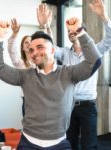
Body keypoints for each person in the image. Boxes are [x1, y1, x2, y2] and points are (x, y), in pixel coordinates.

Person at [0, 17, 101, 150]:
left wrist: (79, 31)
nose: (34, 53)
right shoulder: (25, 75)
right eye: (31, 50)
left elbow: (94, 62)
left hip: (60, 144)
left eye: (39, 47)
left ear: (53, 50)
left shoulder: (69, 73)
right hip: (28, 143)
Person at [53, 0, 111, 149]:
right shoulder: (65, 53)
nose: (71, 33)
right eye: (69, 32)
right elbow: (50, 49)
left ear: (83, 33)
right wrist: (46, 26)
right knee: (69, 144)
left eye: (75, 30)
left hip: (88, 106)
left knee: (89, 145)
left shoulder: (94, 51)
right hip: (69, 105)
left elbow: (109, 40)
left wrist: (104, 17)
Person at [8, 3, 52, 117]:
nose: (29, 44)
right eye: (26, 43)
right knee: (29, 127)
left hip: (44, 98)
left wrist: (45, 26)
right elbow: (11, 50)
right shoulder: (20, 63)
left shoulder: (41, 61)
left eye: (30, 42)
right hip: (27, 100)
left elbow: (48, 43)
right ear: (23, 47)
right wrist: (14, 33)